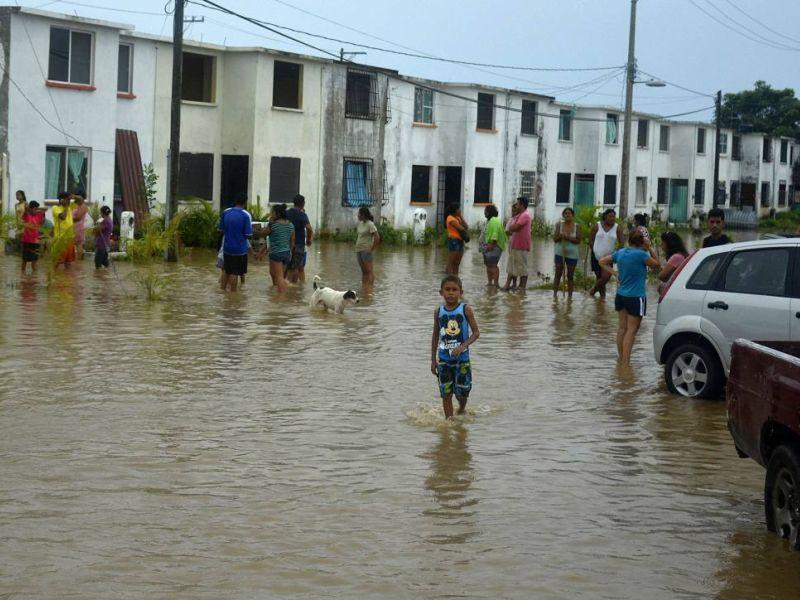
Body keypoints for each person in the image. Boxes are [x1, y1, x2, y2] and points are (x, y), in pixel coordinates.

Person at [599, 230, 660, 365]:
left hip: (621, 296)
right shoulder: (642, 255)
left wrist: (615, 273)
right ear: (641, 242)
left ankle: (621, 359)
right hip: (636, 297)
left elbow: (602, 261)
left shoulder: (621, 252)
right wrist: (650, 247)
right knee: (631, 330)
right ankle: (626, 363)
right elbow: (657, 265)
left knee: (622, 328)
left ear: (630, 241)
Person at [430, 275, 480, 419]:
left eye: (454, 290)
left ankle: (462, 407)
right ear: (441, 292)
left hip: (462, 360)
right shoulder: (438, 312)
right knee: (446, 393)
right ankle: (449, 423)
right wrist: (433, 360)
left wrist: (462, 346)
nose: (451, 293)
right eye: (447, 290)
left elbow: (476, 333)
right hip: (444, 360)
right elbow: (435, 336)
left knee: (461, 393)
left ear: (461, 292)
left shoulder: (465, 310)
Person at [216, 195, 253, 292]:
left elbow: (220, 229)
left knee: (226, 270)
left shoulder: (226, 212)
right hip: (239, 249)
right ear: (245, 203)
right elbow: (248, 234)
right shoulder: (246, 215)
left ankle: (222, 291)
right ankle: (233, 294)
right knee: (235, 272)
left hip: (227, 247)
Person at [588, 208, 624, 298]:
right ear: (605, 216)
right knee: (599, 277)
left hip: (608, 257)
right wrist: (594, 250)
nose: (612, 218)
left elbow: (621, 242)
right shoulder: (597, 225)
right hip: (596, 256)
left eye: (613, 216)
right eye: (610, 216)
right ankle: (602, 300)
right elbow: (591, 240)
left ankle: (592, 292)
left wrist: (616, 254)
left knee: (606, 277)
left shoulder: (617, 227)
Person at [262, 203, 294, 293]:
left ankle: (280, 297)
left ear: (277, 214)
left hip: (276, 253)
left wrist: (269, 223)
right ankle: (278, 291)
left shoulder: (273, 225)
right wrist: (290, 252)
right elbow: (292, 241)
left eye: (272, 213)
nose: (271, 214)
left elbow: (263, 233)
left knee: (279, 276)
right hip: (287, 253)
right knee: (278, 274)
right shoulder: (290, 225)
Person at [502, 197, 532, 291]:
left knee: (522, 267)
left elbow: (514, 227)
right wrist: (511, 227)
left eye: (518, 204)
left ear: (522, 205)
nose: (517, 205)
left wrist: (511, 227)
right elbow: (510, 228)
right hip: (515, 245)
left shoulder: (525, 215)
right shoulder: (520, 215)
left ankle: (522, 287)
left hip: (521, 245)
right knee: (514, 266)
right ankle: (517, 286)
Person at [553, 207, 581, 298]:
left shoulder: (577, 226)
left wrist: (568, 238)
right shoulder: (559, 225)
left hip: (572, 254)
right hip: (560, 252)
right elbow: (555, 239)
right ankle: (555, 295)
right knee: (558, 272)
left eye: (569, 213)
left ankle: (570, 297)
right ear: (563, 215)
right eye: (565, 213)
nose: (567, 215)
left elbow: (578, 240)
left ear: (573, 215)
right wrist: (561, 236)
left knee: (570, 275)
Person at [286, 194, 313, 284]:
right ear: (303, 203)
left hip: (288, 243)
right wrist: (309, 239)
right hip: (299, 244)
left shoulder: (287, 213)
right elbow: (309, 228)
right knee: (297, 267)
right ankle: (296, 289)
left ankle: (297, 288)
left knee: (292, 267)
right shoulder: (302, 215)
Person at [480, 204, 507, 287]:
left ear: (488, 212)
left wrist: (491, 245)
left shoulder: (494, 221)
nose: (484, 213)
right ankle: (490, 283)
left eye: (485, 211)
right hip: (488, 246)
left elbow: (495, 234)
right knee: (488, 265)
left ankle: (495, 284)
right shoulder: (491, 220)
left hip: (493, 246)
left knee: (493, 265)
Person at [355, 206, 380, 288]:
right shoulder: (360, 224)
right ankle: (364, 288)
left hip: (366, 250)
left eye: (359, 214)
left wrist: (372, 249)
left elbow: (377, 237)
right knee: (364, 272)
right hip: (358, 250)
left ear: (363, 215)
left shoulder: (370, 224)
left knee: (369, 272)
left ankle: (370, 290)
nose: (358, 216)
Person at [51, 191, 76, 268]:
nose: (69, 201)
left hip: (70, 238)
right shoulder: (55, 208)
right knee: (56, 262)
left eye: (69, 200)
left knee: (68, 262)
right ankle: (54, 278)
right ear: (61, 200)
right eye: (67, 199)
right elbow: (63, 217)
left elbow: (81, 200)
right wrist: (65, 207)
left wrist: (73, 196)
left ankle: (67, 279)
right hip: (60, 238)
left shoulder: (70, 207)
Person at [20, 201, 45, 274]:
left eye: (36, 209)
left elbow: (45, 209)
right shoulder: (26, 215)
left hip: (35, 241)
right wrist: (27, 208)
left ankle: (34, 277)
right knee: (24, 260)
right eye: (34, 209)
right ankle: (22, 275)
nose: (35, 210)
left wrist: (37, 209)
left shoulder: (38, 215)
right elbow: (24, 213)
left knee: (34, 261)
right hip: (27, 241)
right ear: (30, 209)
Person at [445, 204, 468, 276]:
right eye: (458, 209)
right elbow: (461, 228)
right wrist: (462, 225)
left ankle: (455, 277)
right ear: (454, 210)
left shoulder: (458, 218)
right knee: (451, 261)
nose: (460, 210)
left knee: (457, 262)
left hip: (460, 240)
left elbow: (466, 226)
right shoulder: (450, 218)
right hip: (453, 240)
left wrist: (461, 217)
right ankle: (448, 277)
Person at [94, 205, 113, 269]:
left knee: (97, 262)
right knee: (105, 262)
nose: (100, 214)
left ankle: (99, 276)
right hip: (105, 244)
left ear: (102, 213)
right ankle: (105, 275)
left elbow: (97, 230)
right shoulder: (109, 220)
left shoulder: (105, 221)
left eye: (100, 212)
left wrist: (97, 225)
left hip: (101, 244)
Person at [72, 190, 89, 260]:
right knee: (76, 244)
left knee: (79, 244)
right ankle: (77, 259)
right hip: (75, 226)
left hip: (78, 227)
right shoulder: (78, 206)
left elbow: (78, 218)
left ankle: (79, 260)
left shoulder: (83, 206)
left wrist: (69, 218)